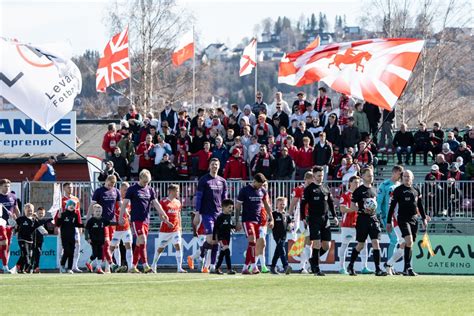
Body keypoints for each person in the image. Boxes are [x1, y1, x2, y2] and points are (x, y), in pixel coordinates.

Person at [119, 169, 169, 273]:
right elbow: (124, 204)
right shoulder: (132, 189)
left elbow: (155, 203)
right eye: (144, 181)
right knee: (143, 240)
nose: (146, 183)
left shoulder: (150, 190)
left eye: (147, 182)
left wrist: (163, 213)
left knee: (139, 243)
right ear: (140, 178)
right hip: (136, 219)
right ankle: (146, 265)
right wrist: (121, 216)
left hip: (146, 219)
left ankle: (132, 267)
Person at [346, 167, 387, 276]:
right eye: (369, 175)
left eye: (372, 175)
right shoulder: (358, 191)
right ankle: (350, 266)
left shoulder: (374, 189)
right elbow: (352, 206)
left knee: (376, 243)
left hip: (373, 219)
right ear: (363, 176)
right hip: (362, 219)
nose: (371, 177)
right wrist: (361, 209)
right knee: (360, 245)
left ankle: (378, 269)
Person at [387, 170, 429, 276]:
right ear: (402, 178)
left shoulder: (416, 190)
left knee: (409, 243)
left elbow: (420, 205)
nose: (406, 178)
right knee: (408, 241)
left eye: (408, 176)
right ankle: (407, 267)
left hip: (414, 219)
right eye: (404, 176)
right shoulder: (398, 190)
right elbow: (392, 207)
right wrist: (388, 221)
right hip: (402, 218)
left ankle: (405, 268)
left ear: (412, 177)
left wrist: (423, 218)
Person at [300, 166, 339, 276]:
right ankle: (316, 269)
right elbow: (302, 205)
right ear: (314, 176)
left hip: (325, 219)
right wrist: (303, 218)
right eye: (318, 176)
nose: (320, 178)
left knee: (326, 246)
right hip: (313, 219)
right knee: (316, 243)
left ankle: (313, 260)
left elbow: (331, 203)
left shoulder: (325, 188)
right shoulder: (309, 189)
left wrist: (335, 216)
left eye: (322, 176)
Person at [193, 158, 228, 273]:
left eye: (216, 165)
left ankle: (213, 266)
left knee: (216, 240)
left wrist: (226, 214)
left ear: (219, 166)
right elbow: (199, 197)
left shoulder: (222, 181)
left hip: (219, 214)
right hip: (206, 213)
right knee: (211, 239)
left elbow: (225, 200)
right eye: (212, 164)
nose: (214, 166)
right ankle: (201, 255)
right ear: (209, 166)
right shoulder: (204, 180)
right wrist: (197, 213)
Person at [235, 173, 273, 274]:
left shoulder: (262, 191)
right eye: (259, 184)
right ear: (254, 181)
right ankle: (254, 266)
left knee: (253, 243)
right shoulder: (244, 190)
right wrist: (237, 220)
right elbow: (238, 206)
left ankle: (244, 268)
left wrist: (271, 218)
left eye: (262, 184)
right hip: (247, 220)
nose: (261, 186)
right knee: (252, 240)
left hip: (258, 220)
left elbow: (267, 206)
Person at [338, 176, 371, 274]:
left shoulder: (362, 194)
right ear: (350, 183)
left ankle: (364, 267)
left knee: (364, 245)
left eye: (358, 182)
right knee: (344, 245)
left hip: (360, 223)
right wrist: (356, 209)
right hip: (347, 224)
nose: (357, 184)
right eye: (355, 182)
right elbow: (342, 209)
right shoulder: (345, 195)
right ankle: (342, 268)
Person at [88, 175, 121, 273]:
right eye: (110, 184)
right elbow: (92, 205)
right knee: (105, 244)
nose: (111, 186)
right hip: (101, 222)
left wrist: (126, 214)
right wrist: (88, 216)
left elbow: (120, 205)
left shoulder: (116, 191)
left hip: (112, 222)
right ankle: (106, 266)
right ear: (106, 181)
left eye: (113, 184)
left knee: (112, 245)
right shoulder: (99, 191)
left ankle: (107, 267)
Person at [151, 184, 185, 273]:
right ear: (171, 191)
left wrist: (180, 227)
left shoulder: (178, 202)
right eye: (177, 191)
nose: (178, 193)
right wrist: (167, 222)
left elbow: (179, 215)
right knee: (160, 248)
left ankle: (179, 268)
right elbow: (160, 216)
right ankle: (153, 265)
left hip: (175, 229)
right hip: (165, 230)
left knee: (178, 246)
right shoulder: (163, 202)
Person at [288, 172, 314, 273]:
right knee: (307, 241)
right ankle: (307, 266)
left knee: (308, 243)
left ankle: (304, 266)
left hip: (313, 217)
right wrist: (289, 216)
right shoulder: (299, 189)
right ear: (306, 179)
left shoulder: (314, 189)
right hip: (303, 218)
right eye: (311, 179)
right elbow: (293, 203)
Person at [377, 165, 404, 262]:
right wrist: (378, 214)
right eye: (399, 173)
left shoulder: (401, 185)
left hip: (398, 217)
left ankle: (390, 265)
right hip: (387, 217)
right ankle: (389, 265)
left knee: (401, 241)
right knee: (394, 240)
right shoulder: (385, 184)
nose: (401, 175)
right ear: (394, 172)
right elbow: (379, 200)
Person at [85, 204, 116, 274]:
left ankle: (99, 268)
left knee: (100, 255)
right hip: (93, 240)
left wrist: (119, 223)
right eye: (97, 211)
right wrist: (87, 238)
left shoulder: (103, 220)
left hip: (101, 241)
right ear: (93, 212)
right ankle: (88, 262)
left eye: (99, 211)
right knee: (95, 253)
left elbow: (110, 223)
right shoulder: (91, 221)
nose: (98, 213)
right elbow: (86, 230)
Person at [110, 182, 133, 273]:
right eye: (125, 190)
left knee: (129, 246)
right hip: (116, 228)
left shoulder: (129, 200)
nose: (127, 191)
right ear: (120, 190)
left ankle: (130, 267)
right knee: (114, 247)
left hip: (126, 228)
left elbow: (129, 213)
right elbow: (112, 212)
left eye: (128, 190)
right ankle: (115, 266)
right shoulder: (116, 200)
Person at [14, 203, 44, 273]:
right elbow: (14, 225)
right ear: (24, 210)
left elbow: (39, 227)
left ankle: (20, 268)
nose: (30, 212)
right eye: (28, 210)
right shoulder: (21, 219)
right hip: (22, 239)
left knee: (25, 255)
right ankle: (23, 266)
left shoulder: (34, 220)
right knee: (26, 255)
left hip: (30, 240)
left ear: (33, 211)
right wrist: (11, 219)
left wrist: (44, 232)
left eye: (31, 211)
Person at [56, 199, 84, 273]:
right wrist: (59, 218)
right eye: (70, 205)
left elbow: (77, 224)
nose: (72, 206)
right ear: (67, 206)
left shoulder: (75, 215)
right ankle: (62, 266)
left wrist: (85, 224)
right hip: (64, 237)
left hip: (72, 236)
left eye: (74, 205)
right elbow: (58, 224)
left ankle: (69, 268)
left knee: (71, 252)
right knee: (66, 251)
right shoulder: (63, 214)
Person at [0, 178, 20, 273]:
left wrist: (18, 220)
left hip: (10, 224)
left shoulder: (13, 196)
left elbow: (16, 209)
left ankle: (5, 266)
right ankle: (5, 266)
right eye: (5, 186)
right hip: (1, 223)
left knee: (6, 246)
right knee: (4, 241)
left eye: (8, 186)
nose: (7, 188)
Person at [213, 199, 236, 275]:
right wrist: (214, 237)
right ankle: (229, 269)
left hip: (227, 237)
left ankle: (216, 268)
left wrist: (234, 227)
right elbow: (215, 227)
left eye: (231, 208)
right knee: (227, 251)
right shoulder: (220, 217)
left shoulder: (229, 216)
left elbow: (228, 226)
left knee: (222, 253)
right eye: (229, 207)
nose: (231, 209)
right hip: (221, 237)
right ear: (224, 207)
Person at [270, 197, 293, 275]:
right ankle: (285, 266)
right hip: (277, 235)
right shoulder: (274, 214)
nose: (282, 206)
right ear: (277, 205)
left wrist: (291, 226)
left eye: (283, 204)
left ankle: (272, 267)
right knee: (282, 251)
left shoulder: (286, 214)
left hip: (284, 235)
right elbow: (270, 222)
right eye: (280, 204)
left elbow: (290, 222)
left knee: (278, 251)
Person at [31, 206, 52, 273]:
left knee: (38, 253)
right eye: (39, 213)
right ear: (37, 213)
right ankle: (28, 267)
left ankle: (36, 268)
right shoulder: (33, 220)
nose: (41, 214)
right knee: (30, 254)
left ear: (44, 214)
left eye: (42, 213)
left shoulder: (44, 221)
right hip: (31, 240)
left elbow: (47, 231)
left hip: (40, 240)